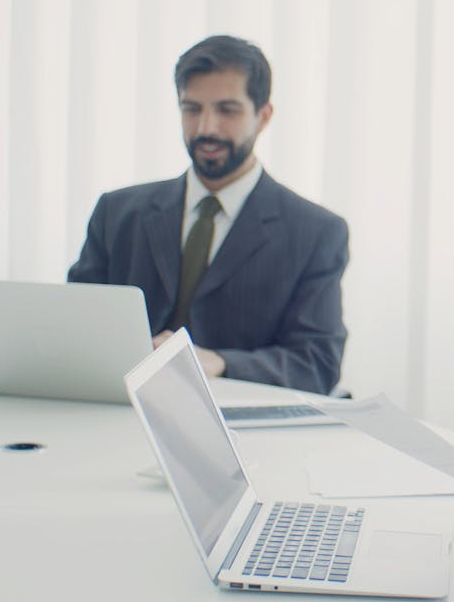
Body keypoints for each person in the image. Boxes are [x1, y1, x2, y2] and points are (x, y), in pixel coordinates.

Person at [68, 35, 348, 394]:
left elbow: (316, 363)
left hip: (242, 430)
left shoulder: (315, 232)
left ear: (263, 116)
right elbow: (74, 330)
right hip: (114, 413)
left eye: (226, 110)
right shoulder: (117, 213)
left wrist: (220, 362)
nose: (206, 128)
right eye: (192, 109)